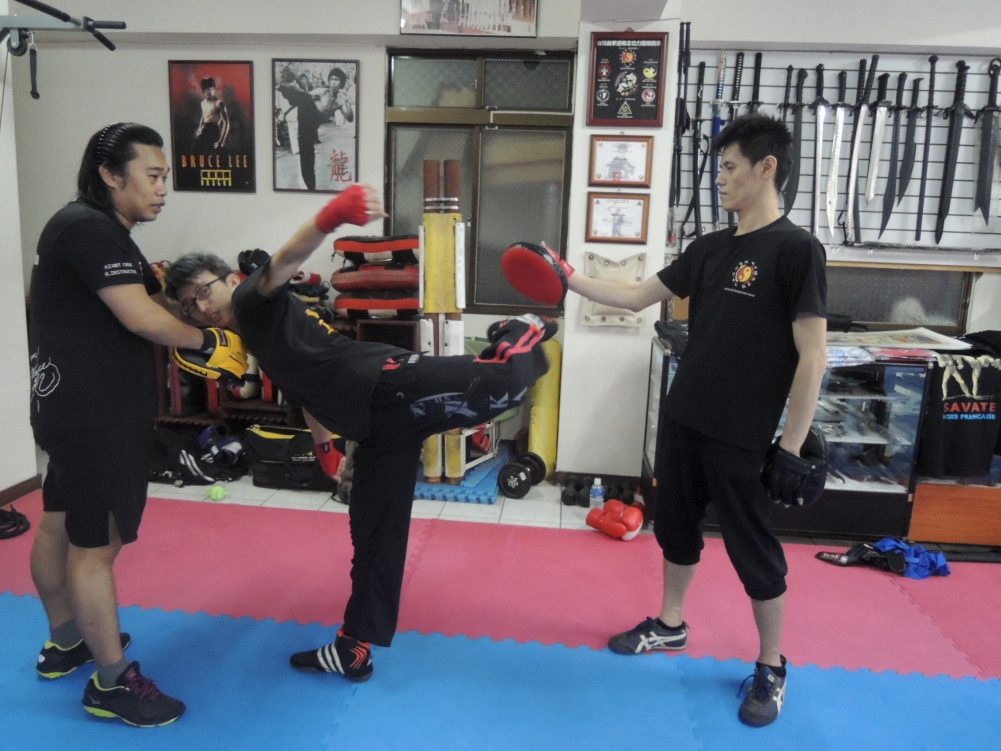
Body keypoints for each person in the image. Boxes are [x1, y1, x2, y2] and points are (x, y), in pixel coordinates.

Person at [163, 184, 554, 683]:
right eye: (189, 305)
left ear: (229, 280)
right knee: (373, 534)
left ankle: (521, 329)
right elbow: (305, 391)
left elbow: (287, 258)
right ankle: (354, 647)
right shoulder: (251, 338)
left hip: (385, 384)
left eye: (203, 291)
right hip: (373, 429)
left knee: (500, 384)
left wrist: (330, 217)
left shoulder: (249, 301)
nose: (201, 307)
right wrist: (326, 446)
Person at [556, 114, 827, 727]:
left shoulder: (796, 250)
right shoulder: (708, 248)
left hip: (743, 434)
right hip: (684, 419)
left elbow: (813, 356)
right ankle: (670, 624)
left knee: (753, 550)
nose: (720, 179)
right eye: (718, 168)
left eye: (730, 167)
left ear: (767, 168)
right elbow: (635, 297)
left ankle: (772, 665)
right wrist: (569, 279)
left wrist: (790, 447)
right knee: (675, 530)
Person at [28, 123, 230, 726]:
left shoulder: (91, 227)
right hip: (98, 416)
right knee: (96, 547)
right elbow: (140, 315)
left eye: (165, 176)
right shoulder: (89, 229)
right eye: (153, 175)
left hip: (70, 409)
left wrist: (202, 311)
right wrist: (209, 342)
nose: (164, 188)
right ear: (111, 175)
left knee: (60, 523)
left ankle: (66, 640)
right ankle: (112, 683)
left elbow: (147, 299)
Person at [276, 71, 323, 190]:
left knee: (307, 165)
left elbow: (294, 98)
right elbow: (293, 99)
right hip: (305, 133)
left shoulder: (304, 96)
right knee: (307, 165)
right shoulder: (304, 96)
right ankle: (311, 187)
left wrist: (280, 87)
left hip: (306, 133)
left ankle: (311, 188)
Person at [193, 77, 230, 152]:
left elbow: (226, 123)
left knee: (210, 153)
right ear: (204, 91)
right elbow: (204, 116)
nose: (210, 92)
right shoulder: (203, 103)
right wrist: (200, 128)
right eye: (208, 90)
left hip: (214, 131)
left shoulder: (219, 104)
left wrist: (221, 141)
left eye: (212, 89)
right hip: (204, 131)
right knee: (194, 151)